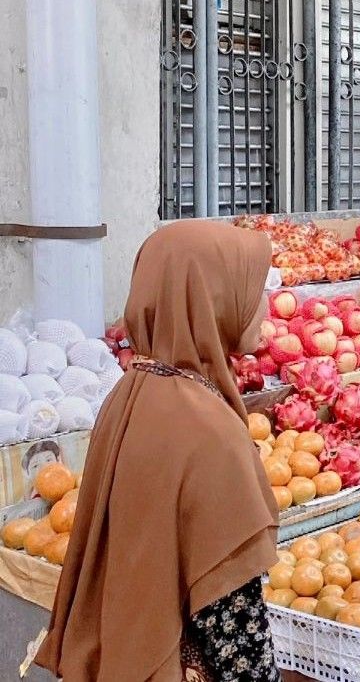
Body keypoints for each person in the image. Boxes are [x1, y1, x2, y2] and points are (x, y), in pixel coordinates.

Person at [36, 221, 281, 681]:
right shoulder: (209, 431)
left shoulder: (127, 395)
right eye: (251, 287)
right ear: (211, 297)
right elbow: (232, 624)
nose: (264, 306)